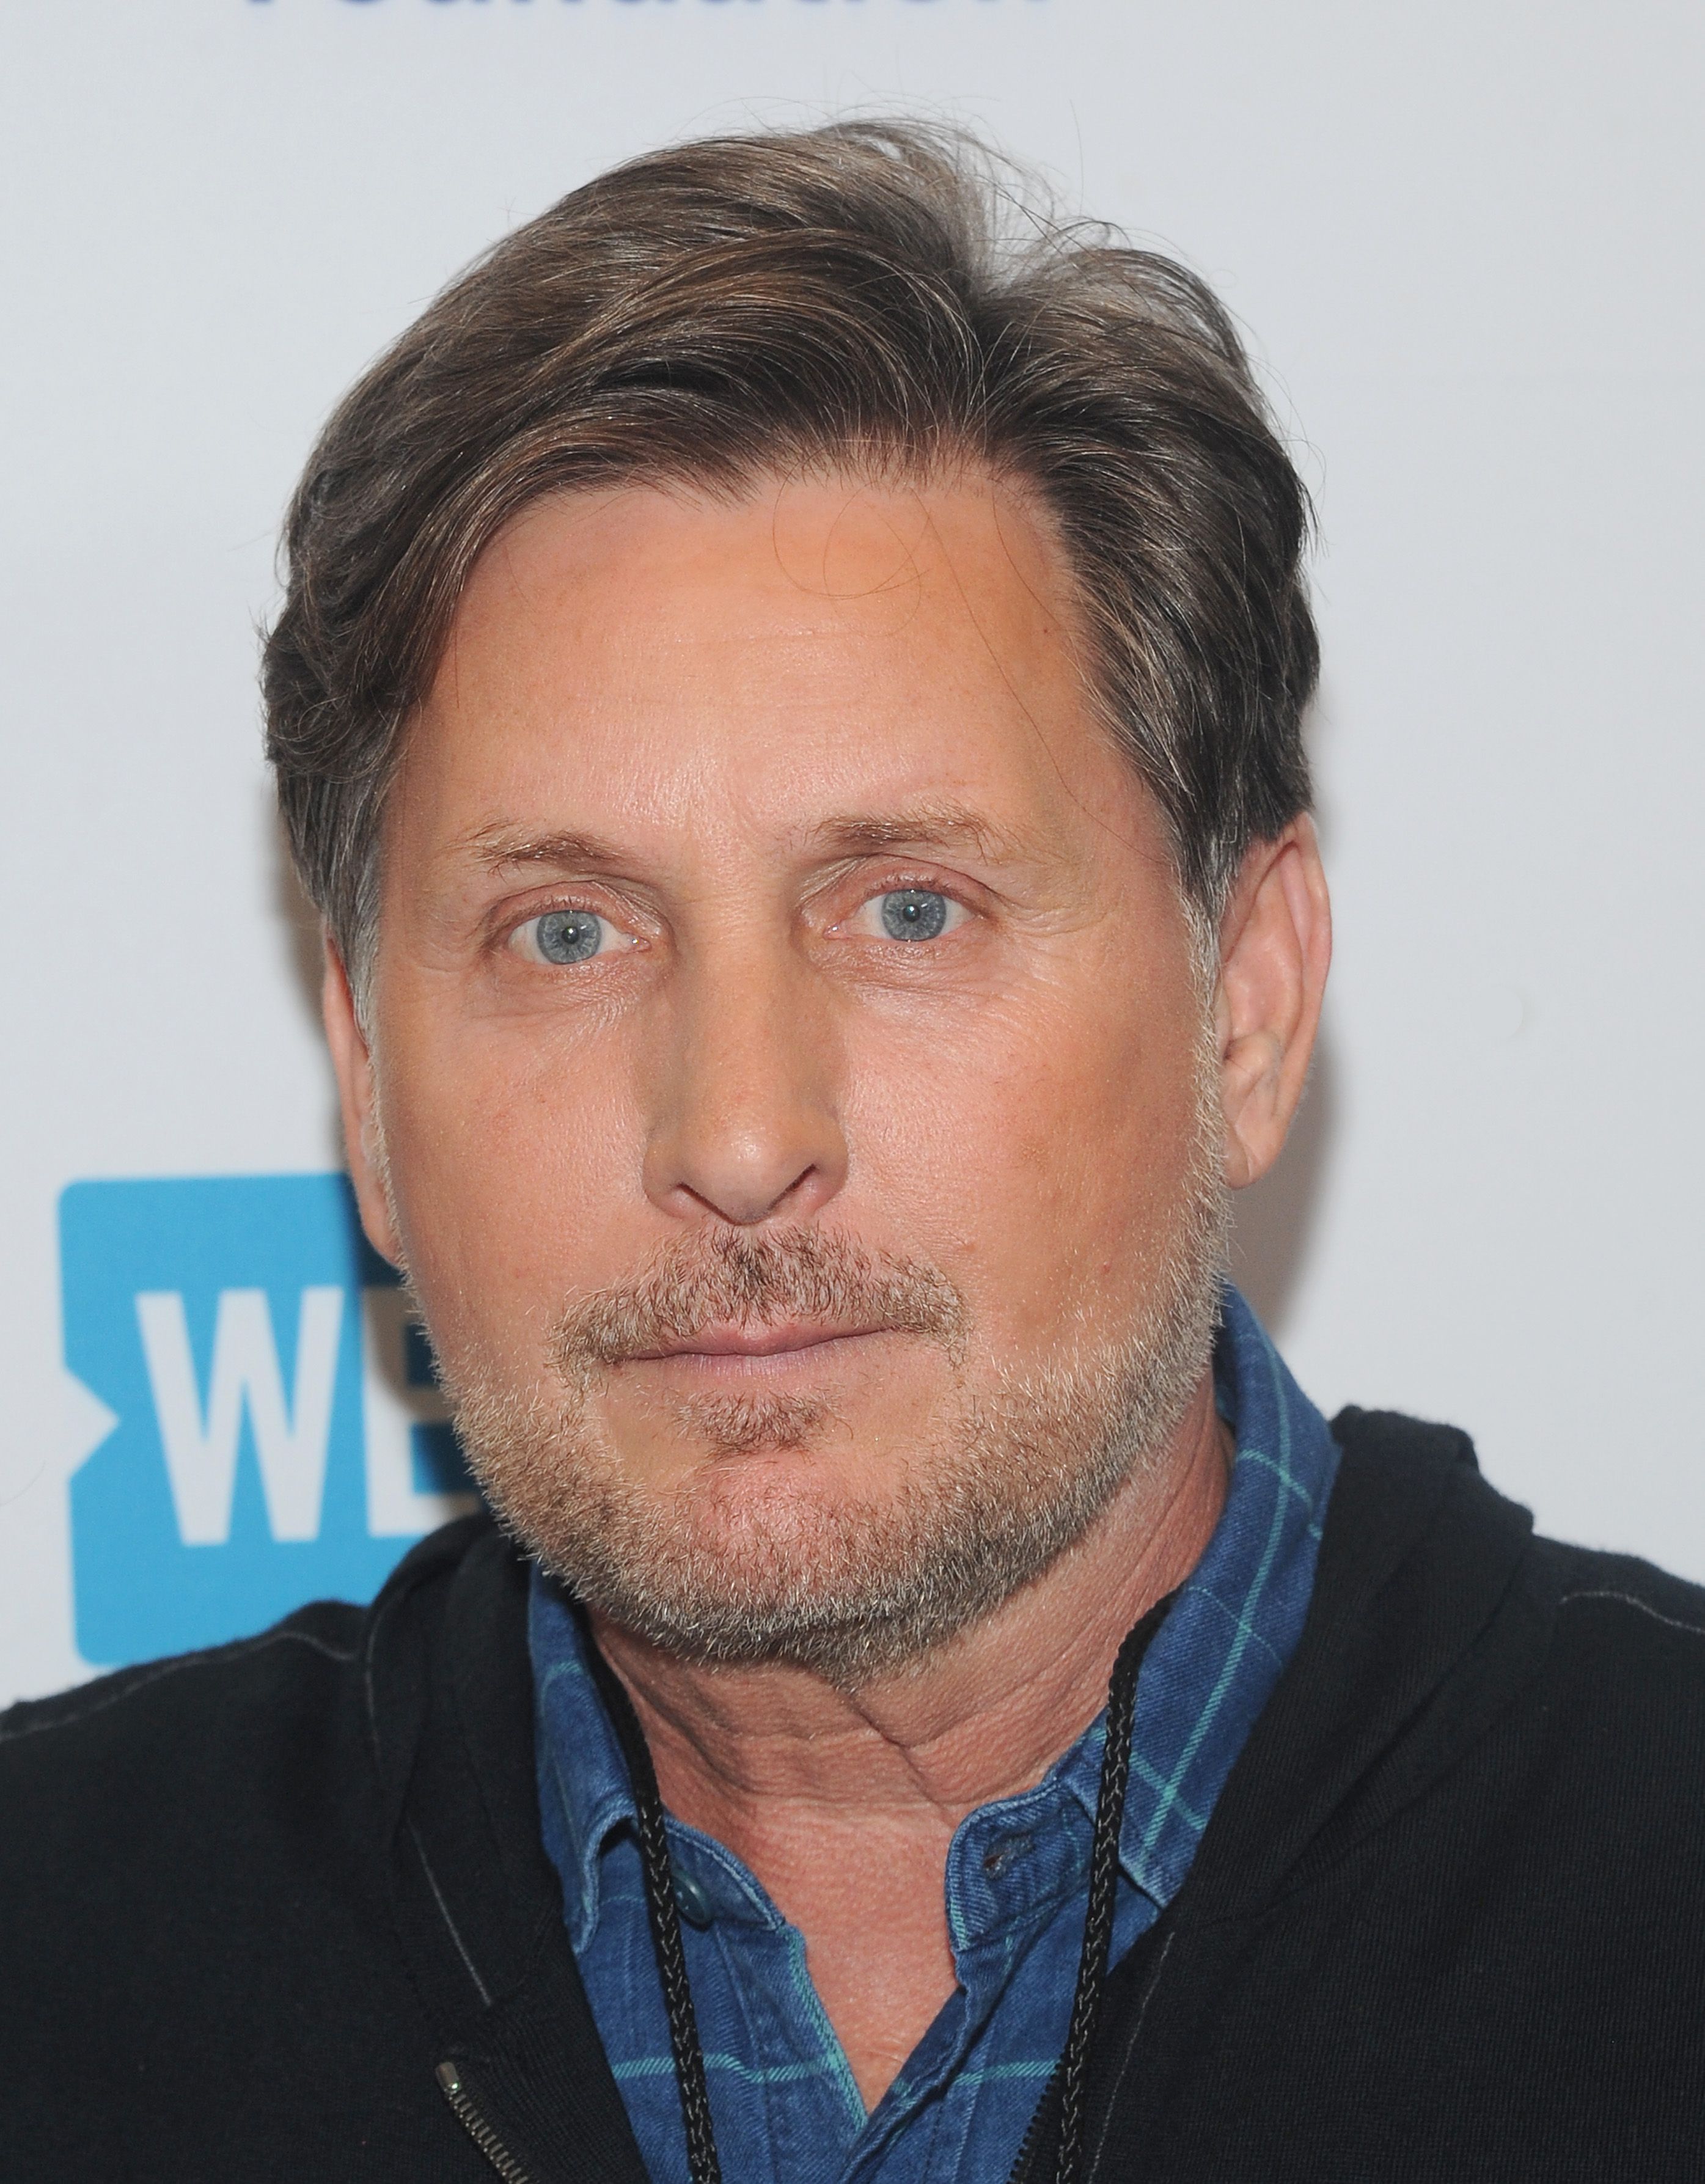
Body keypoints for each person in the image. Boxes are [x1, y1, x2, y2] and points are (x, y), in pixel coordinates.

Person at [3, 122, 1702, 2184]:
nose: (735, 1135)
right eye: (568, 932)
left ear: (1245, 1006)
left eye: (909, 910)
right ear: (366, 1085)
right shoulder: (59, 1954)